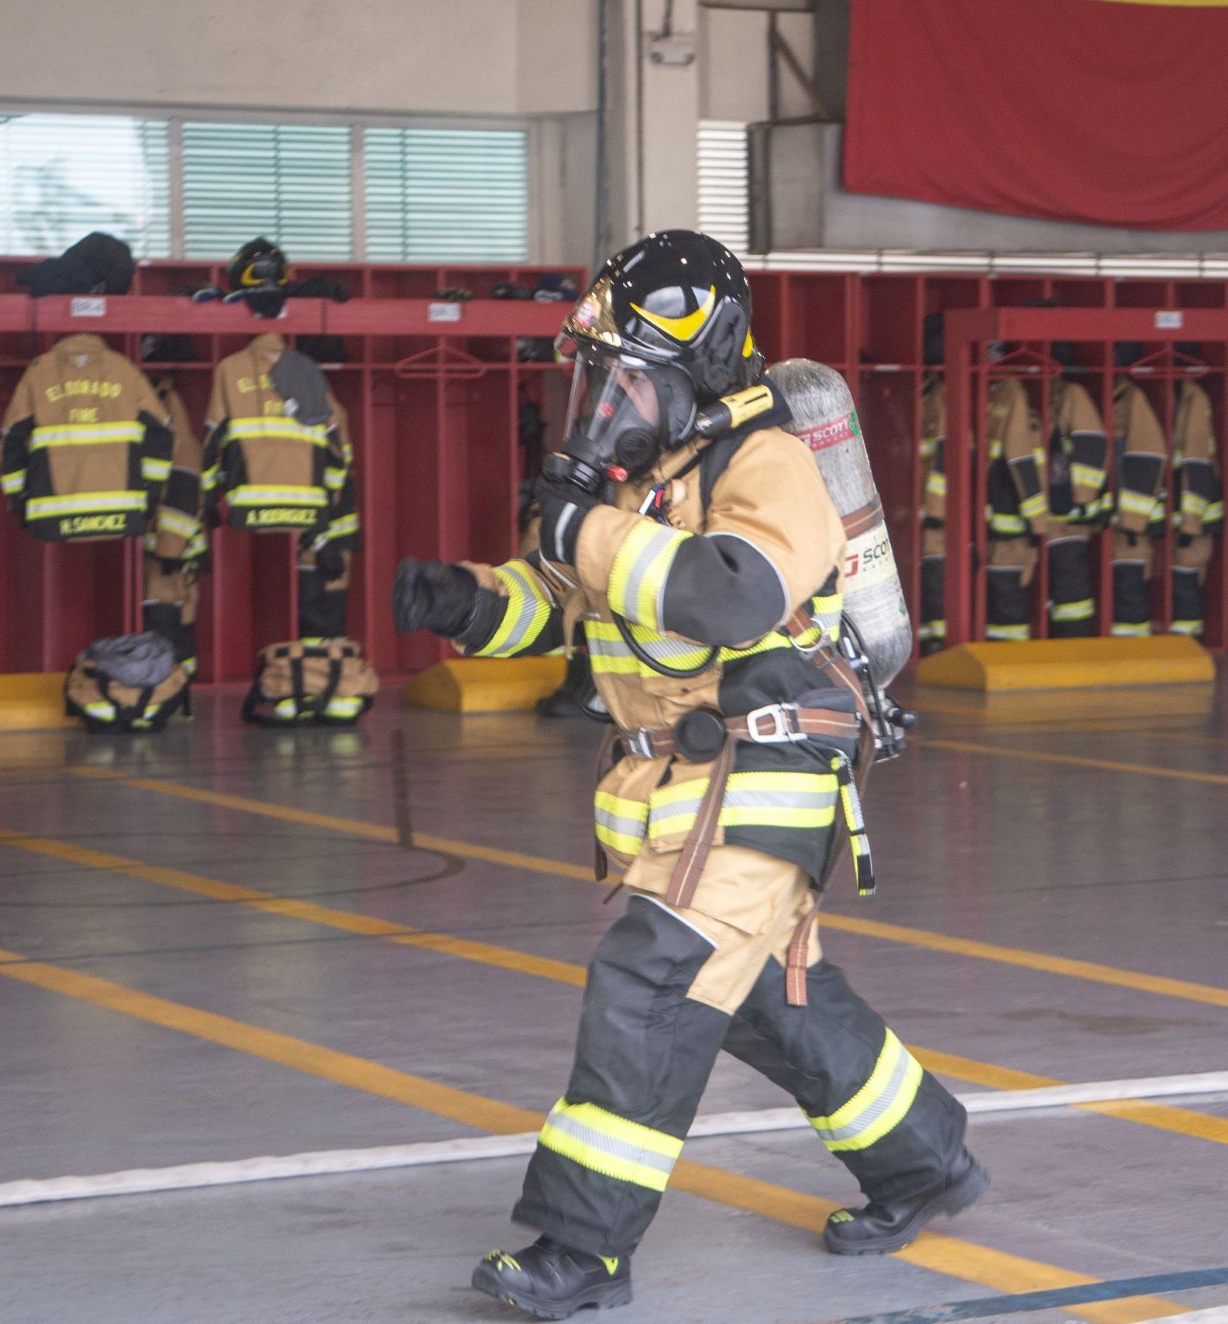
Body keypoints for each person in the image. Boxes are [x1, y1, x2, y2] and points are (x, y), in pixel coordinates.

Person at [392, 230, 983, 1320]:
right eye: (597, 376)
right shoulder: (653, 484)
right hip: (685, 790)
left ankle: (582, 1249)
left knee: (650, 986)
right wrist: (464, 601)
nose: (601, 400)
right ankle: (925, 1160)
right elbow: (560, 601)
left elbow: (729, 594)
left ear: (694, 365)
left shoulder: (765, 463)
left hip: (763, 776)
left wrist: (591, 526)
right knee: (772, 1000)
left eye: (621, 377)